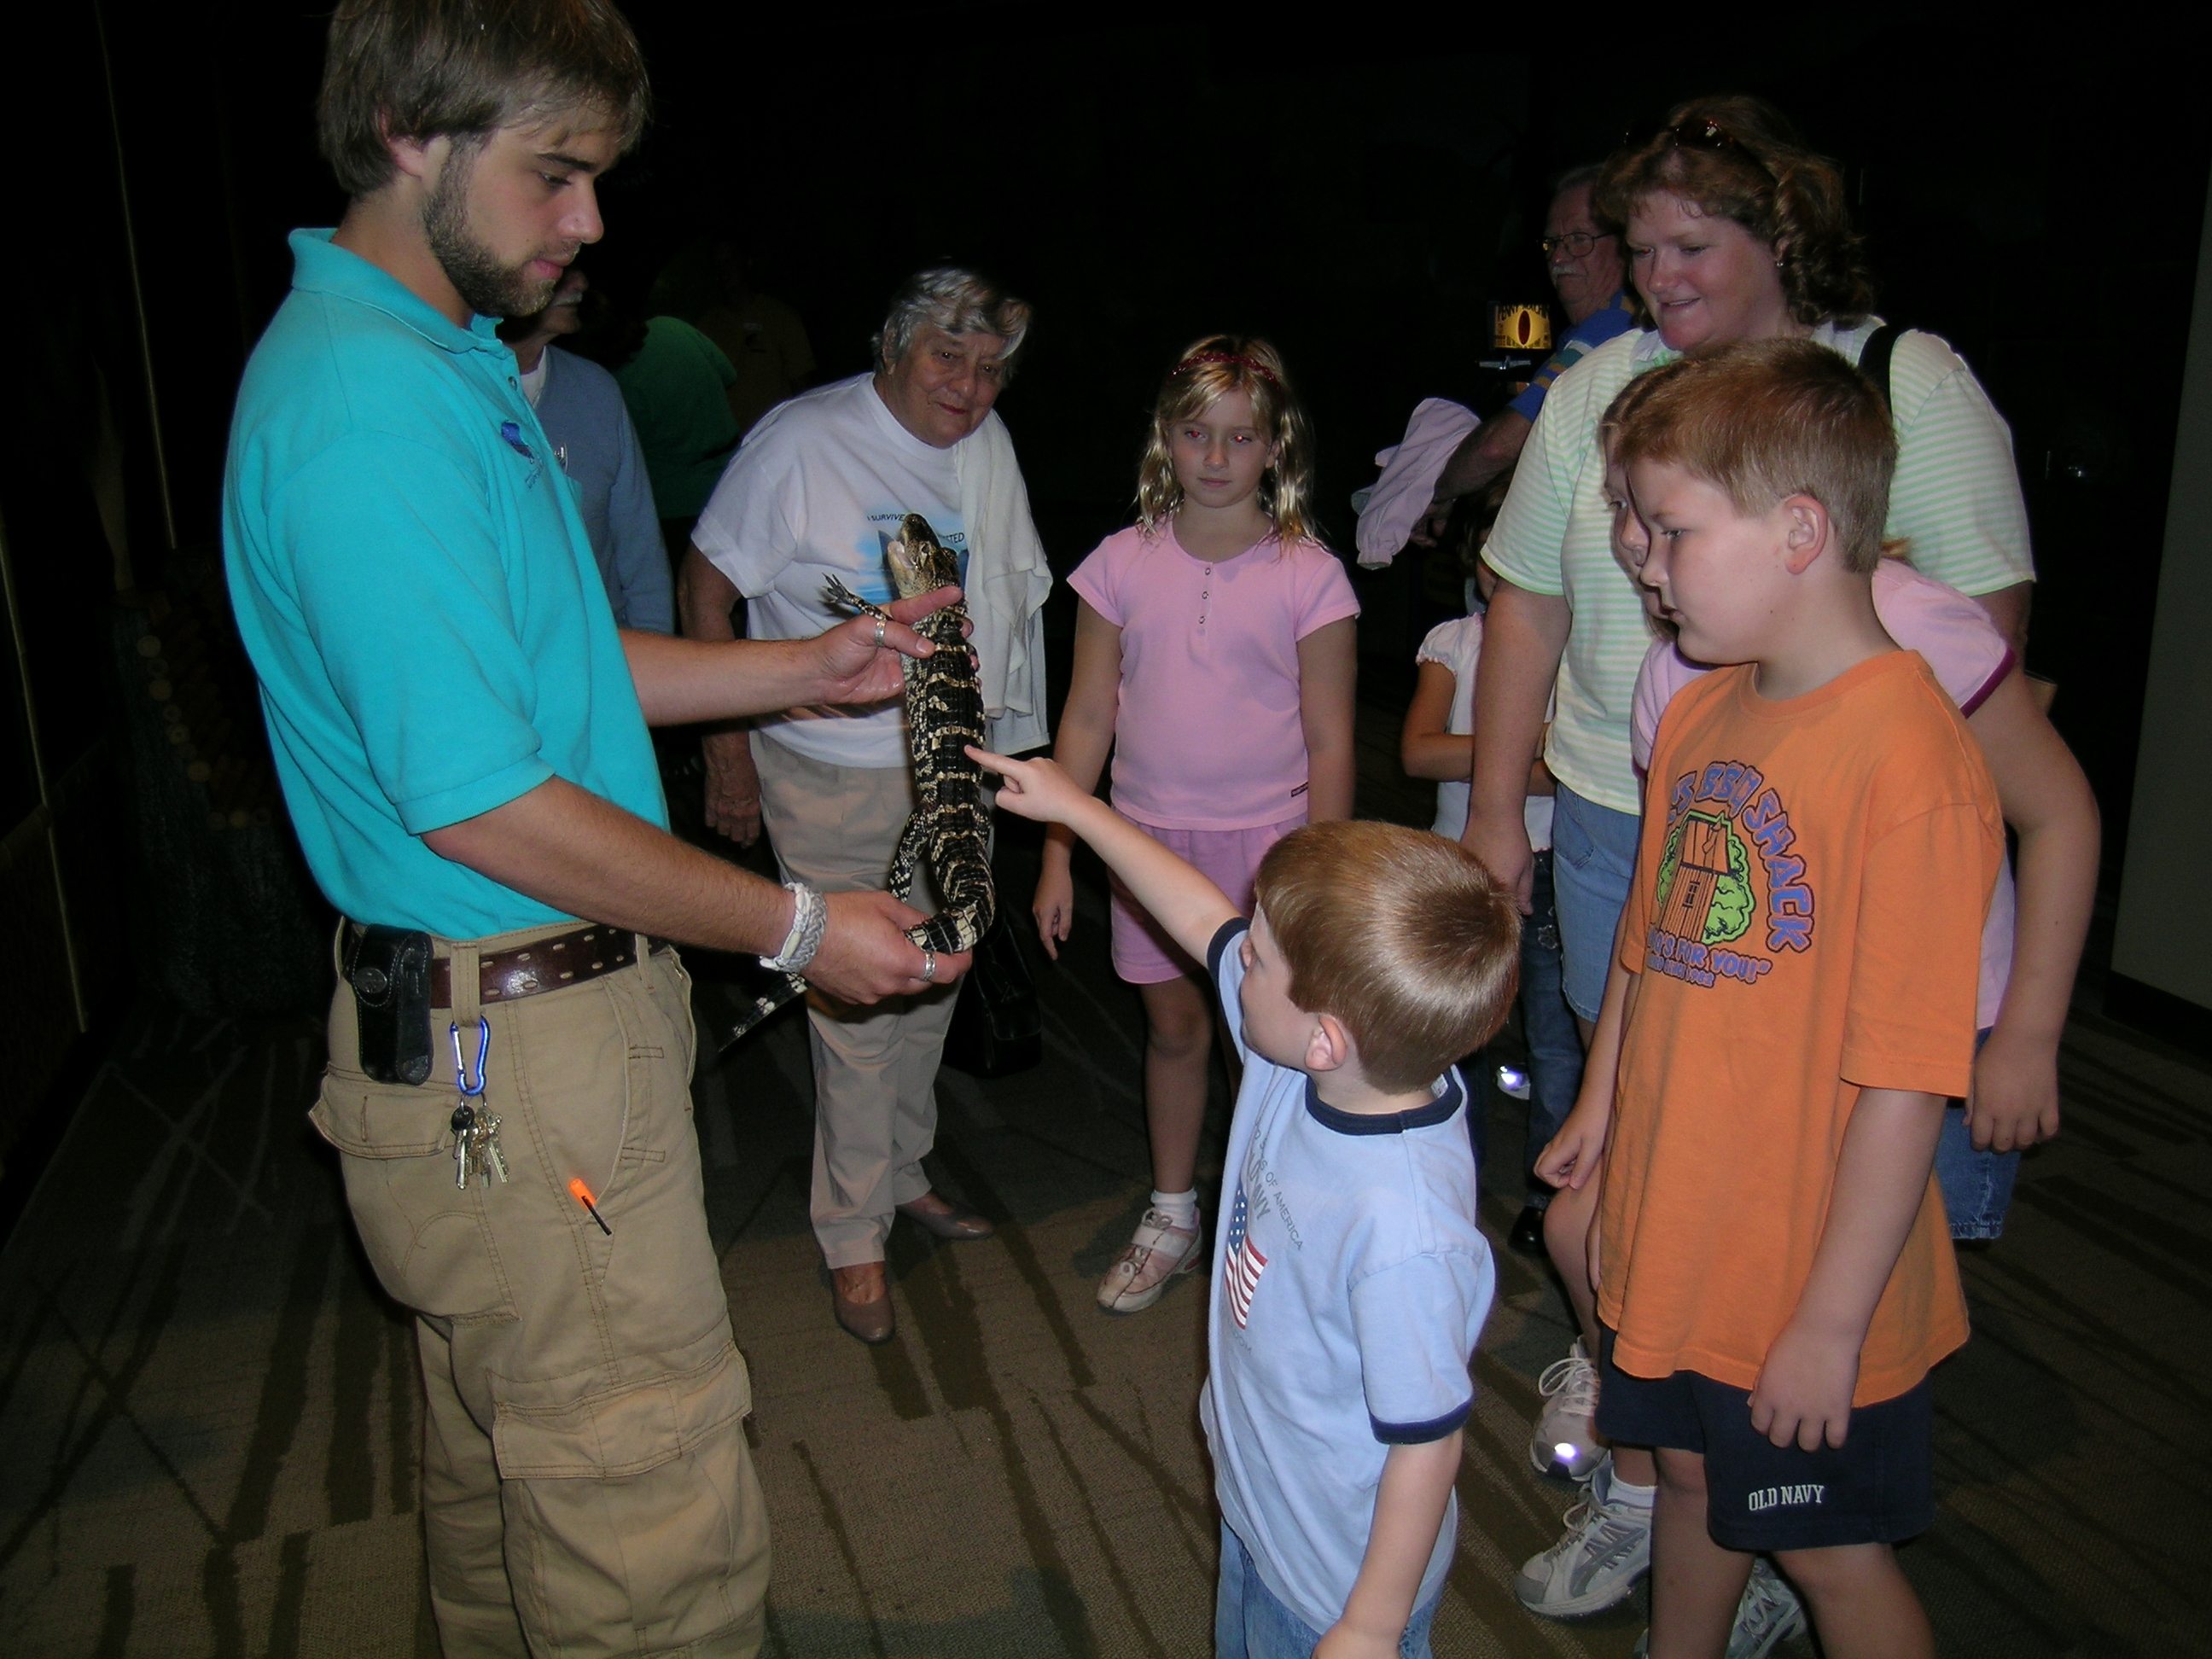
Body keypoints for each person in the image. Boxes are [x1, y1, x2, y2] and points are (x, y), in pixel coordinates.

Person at [221, 4, 967, 1652]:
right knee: (644, 1507)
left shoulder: (437, 358)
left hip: (488, 1046)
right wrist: (793, 924)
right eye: (555, 175)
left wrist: (799, 665)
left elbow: (539, 671)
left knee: (514, 1462)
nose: (590, 223)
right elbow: (480, 796)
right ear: (414, 127)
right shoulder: (366, 410)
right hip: (518, 1027)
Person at [1512, 359, 2096, 1647]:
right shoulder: (1708, 709)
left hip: (1804, 1263)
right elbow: (1650, 947)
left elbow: (1907, 1078)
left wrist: (1831, 1327)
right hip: (1681, 1226)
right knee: (1689, 1485)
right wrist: (1604, 1105)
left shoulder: (1910, 757)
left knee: (1830, 1553)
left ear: (1798, 530)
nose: (1644, 563)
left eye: (1670, 529)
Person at [981, 745, 1517, 1659]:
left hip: (1331, 1579)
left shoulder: (1405, 1235)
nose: (1239, 959)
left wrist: (1372, 1627)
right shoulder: (1308, 1058)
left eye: (1260, 957)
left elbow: (1429, 1444)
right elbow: (1198, 914)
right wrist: (1077, 807)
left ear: (1327, 1038)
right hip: (1266, 1500)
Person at [680, 268, 1052, 1343]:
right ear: (892, 348)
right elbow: (706, 585)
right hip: (826, 759)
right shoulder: (801, 442)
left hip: (946, 756)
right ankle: (852, 1235)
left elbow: (1006, 601)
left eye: (990, 370)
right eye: (948, 358)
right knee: (856, 997)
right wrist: (729, 752)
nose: (970, 388)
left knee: (938, 974)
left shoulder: (984, 448)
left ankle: (900, 1171)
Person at [1035, 337, 1359, 1313]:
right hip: (1146, 844)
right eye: (1195, 434)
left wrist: (1321, 877)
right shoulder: (1118, 564)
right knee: (1173, 1028)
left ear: (1275, 449)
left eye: (1240, 437)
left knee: (1262, 1042)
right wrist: (1059, 851)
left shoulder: (1310, 575)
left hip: (1268, 850)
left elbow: (1332, 743)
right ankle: (1174, 1210)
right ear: (1166, 443)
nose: (1216, 457)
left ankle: (1267, 1216)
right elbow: (1088, 718)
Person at [1400, 484, 1580, 1269]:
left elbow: (1592, 769)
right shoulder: (1457, 640)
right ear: (1481, 560)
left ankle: (1555, 1198)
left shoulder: (1581, 649)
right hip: (1457, 860)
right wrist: (1528, 760)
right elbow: (1418, 752)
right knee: (1452, 1035)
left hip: (1556, 872)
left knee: (1559, 1041)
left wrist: (1503, 761)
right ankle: (1449, 1188)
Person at [1412, 165, 1636, 547]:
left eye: (1579, 239)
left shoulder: (1612, 326)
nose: (1559, 258)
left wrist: (1432, 491)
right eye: (1552, 243)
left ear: (1626, 243)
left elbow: (1500, 444)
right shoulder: (1591, 331)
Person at [499, 264, 673, 630]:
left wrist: (651, 670)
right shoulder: (446, 391)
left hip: (604, 661)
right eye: (557, 268)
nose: (579, 284)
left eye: (578, 267)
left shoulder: (596, 390)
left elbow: (642, 558)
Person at [613, 306, 742, 556]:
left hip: (673, 510)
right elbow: (729, 375)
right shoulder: (672, 328)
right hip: (732, 485)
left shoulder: (614, 383)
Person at [693, 232, 818, 439]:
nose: (723, 270)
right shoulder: (705, 327)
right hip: (729, 445)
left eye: (729, 260)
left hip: (775, 436)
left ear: (747, 263)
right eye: (717, 263)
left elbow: (803, 388)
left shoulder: (780, 316)